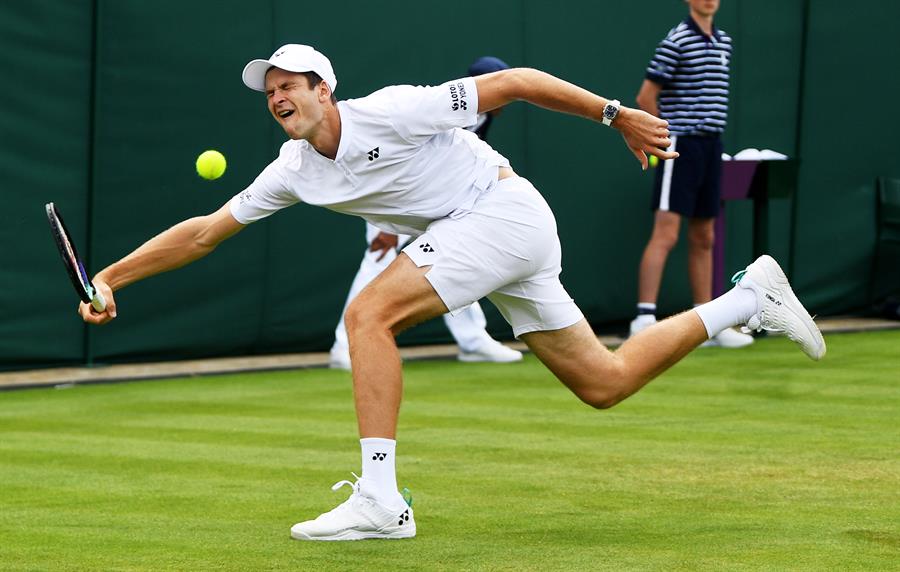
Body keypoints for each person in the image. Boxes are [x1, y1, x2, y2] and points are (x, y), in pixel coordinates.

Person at [78, 43, 825, 541]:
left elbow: (517, 84)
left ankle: (381, 501)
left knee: (369, 313)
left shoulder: (392, 110)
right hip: (494, 234)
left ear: (323, 89)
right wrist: (112, 276)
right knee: (606, 380)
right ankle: (748, 298)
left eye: (289, 85)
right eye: (268, 90)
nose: (276, 96)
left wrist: (615, 113)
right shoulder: (293, 170)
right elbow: (205, 232)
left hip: (501, 211)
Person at [329, 56, 521, 370]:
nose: (507, 98)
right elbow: (396, 157)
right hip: (392, 195)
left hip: (436, 199)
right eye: (500, 88)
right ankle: (345, 346)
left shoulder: (483, 115)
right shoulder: (453, 110)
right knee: (377, 261)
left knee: (459, 257)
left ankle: (473, 341)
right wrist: (389, 225)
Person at [629, 0, 754, 349]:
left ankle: (707, 323)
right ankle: (644, 318)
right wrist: (661, 141)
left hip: (712, 146)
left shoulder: (724, 42)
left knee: (705, 236)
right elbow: (645, 97)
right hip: (680, 145)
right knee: (666, 234)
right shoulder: (677, 40)